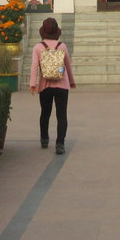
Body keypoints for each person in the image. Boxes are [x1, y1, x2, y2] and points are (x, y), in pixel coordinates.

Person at [29, 17, 75, 154]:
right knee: (61, 115)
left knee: (45, 113)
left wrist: (33, 84)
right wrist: (71, 81)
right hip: (62, 85)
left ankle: (44, 139)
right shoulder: (62, 46)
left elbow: (34, 67)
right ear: (56, 32)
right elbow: (67, 65)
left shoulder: (38, 47)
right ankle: (60, 143)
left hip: (45, 86)